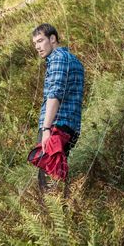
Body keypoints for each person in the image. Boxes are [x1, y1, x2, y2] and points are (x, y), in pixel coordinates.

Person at [32, 23, 85, 197]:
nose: (38, 47)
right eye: (35, 44)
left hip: (56, 127)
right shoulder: (74, 60)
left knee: (47, 183)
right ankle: (64, 216)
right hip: (70, 127)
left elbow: (55, 94)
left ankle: (53, 220)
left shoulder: (57, 58)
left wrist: (46, 129)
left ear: (52, 38)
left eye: (41, 41)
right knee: (57, 176)